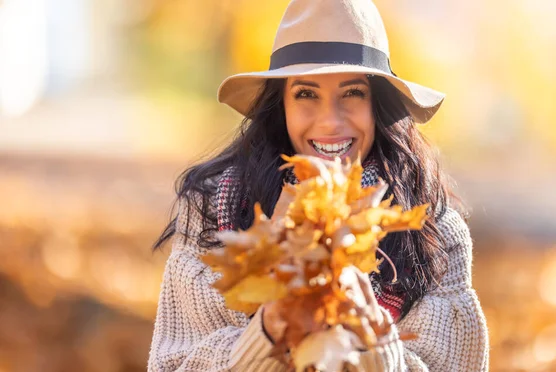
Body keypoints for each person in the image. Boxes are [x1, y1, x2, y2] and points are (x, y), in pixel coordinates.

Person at [147, 0, 490, 371]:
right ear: (281, 104)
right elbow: (173, 364)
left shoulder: (433, 232)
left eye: (353, 93)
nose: (330, 122)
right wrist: (267, 330)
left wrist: (370, 341)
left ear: (378, 104)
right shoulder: (212, 210)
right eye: (306, 94)